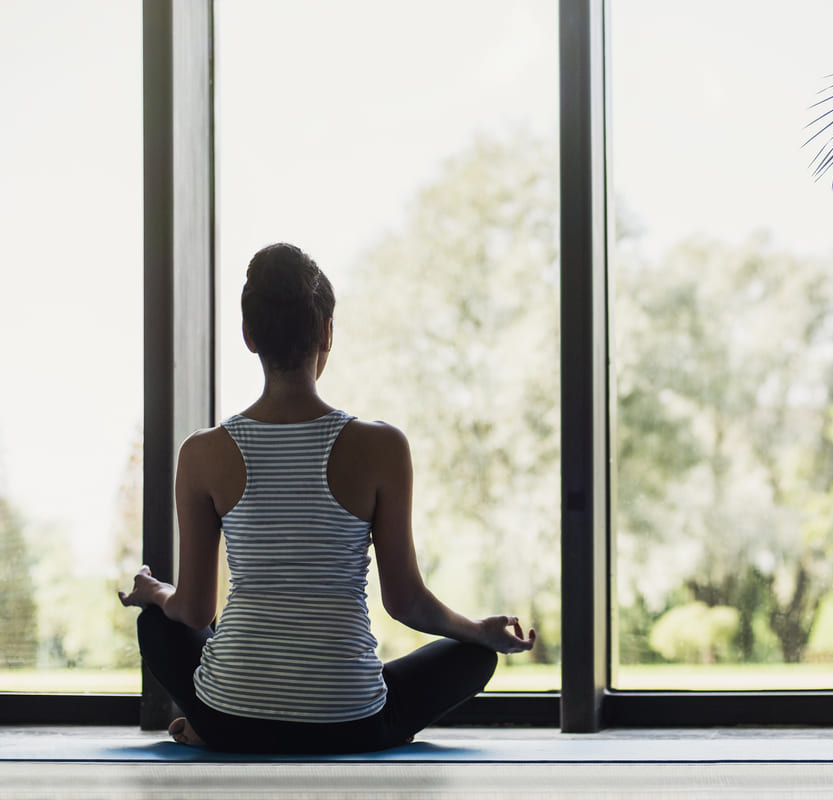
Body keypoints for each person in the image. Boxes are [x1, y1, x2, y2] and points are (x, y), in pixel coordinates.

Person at [118, 242, 535, 753]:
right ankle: (351, 707)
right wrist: (477, 629)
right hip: (353, 724)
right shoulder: (383, 446)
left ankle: (210, 726)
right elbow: (405, 602)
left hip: (230, 718)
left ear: (249, 337)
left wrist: (154, 591)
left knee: (156, 626)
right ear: (327, 333)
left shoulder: (203, 452)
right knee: (476, 656)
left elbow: (194, 610)